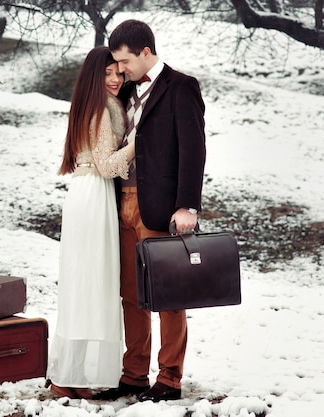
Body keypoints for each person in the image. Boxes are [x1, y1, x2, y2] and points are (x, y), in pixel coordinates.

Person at [94, 19, 206, 402]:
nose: (121, 70)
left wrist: (187, 205)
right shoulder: (124, 92)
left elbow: (193, 151)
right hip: (119, 203)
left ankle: (169, 378)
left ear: (145, 52)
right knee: (130, 295)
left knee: (166, 295)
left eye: (125, 61)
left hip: (158, 207)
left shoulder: (182, 87)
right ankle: (134, 374)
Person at [46, 46, 136, 399]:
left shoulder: (93, 103)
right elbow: (106, 164)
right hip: (93, 193)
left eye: (119, 72)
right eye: (108, 73)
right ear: (94, 76)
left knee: (84, 284)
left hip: (86, 193)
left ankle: (73, 374)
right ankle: (72, 375)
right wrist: (135, 143)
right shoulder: (102, 107)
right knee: (90, 284)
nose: (115, 79)